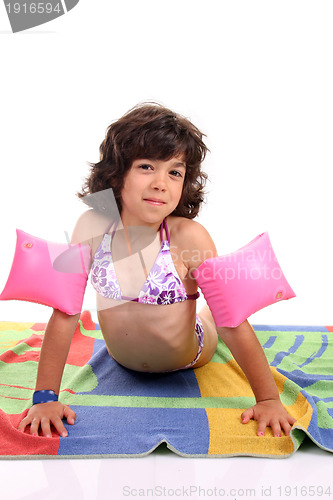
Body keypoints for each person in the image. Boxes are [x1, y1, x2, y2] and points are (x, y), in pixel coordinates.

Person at [18, 103, 296, 439]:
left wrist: (268, 399)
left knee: (214, 315)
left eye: (174, 172)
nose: (161, 183)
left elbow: (231, 322)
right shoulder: (93, 225)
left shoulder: (187, 237)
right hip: (123, 359)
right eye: (147, 167)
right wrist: (45, 397)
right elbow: (65, 312)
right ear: (116, 173)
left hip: (190, 351)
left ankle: (202, 314)